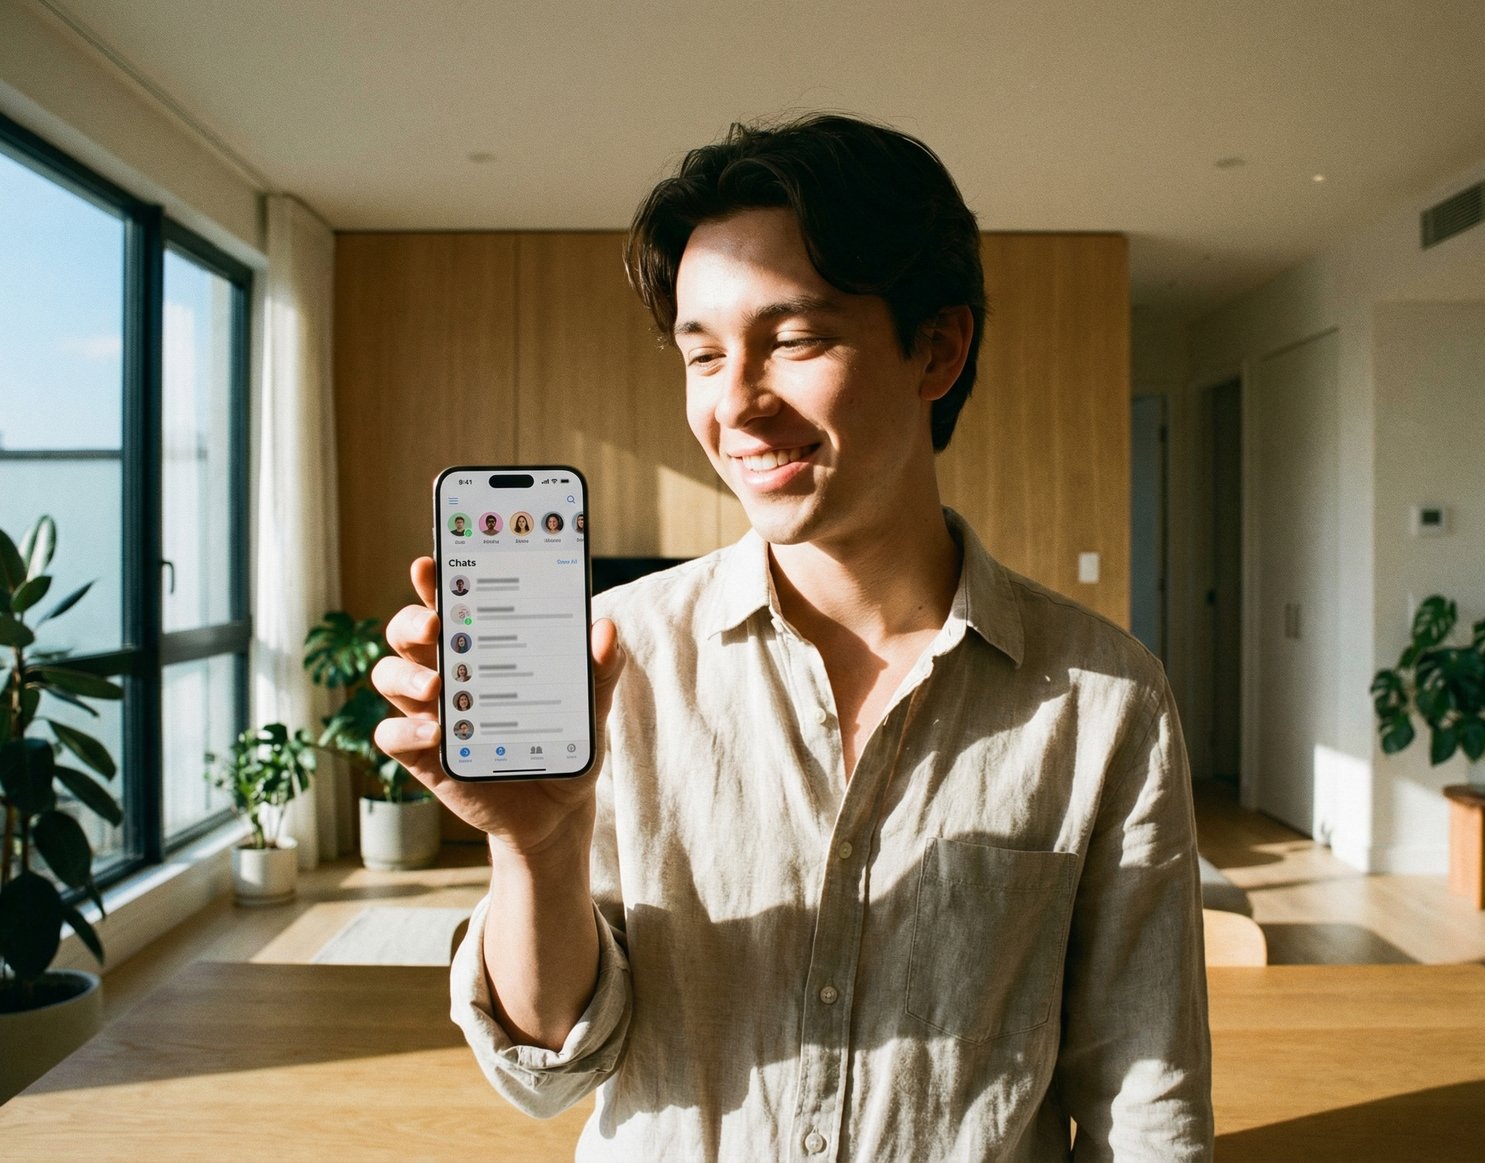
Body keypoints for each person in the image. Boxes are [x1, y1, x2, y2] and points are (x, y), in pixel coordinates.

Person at [374, 114, 1210, 1159]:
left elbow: (1146, 1095)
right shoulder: (616, 660)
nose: (737, 405)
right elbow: (548, 1067)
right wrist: (535, 849)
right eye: (703, 354)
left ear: (936, 349)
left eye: (796, 340)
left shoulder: (1103, 696)